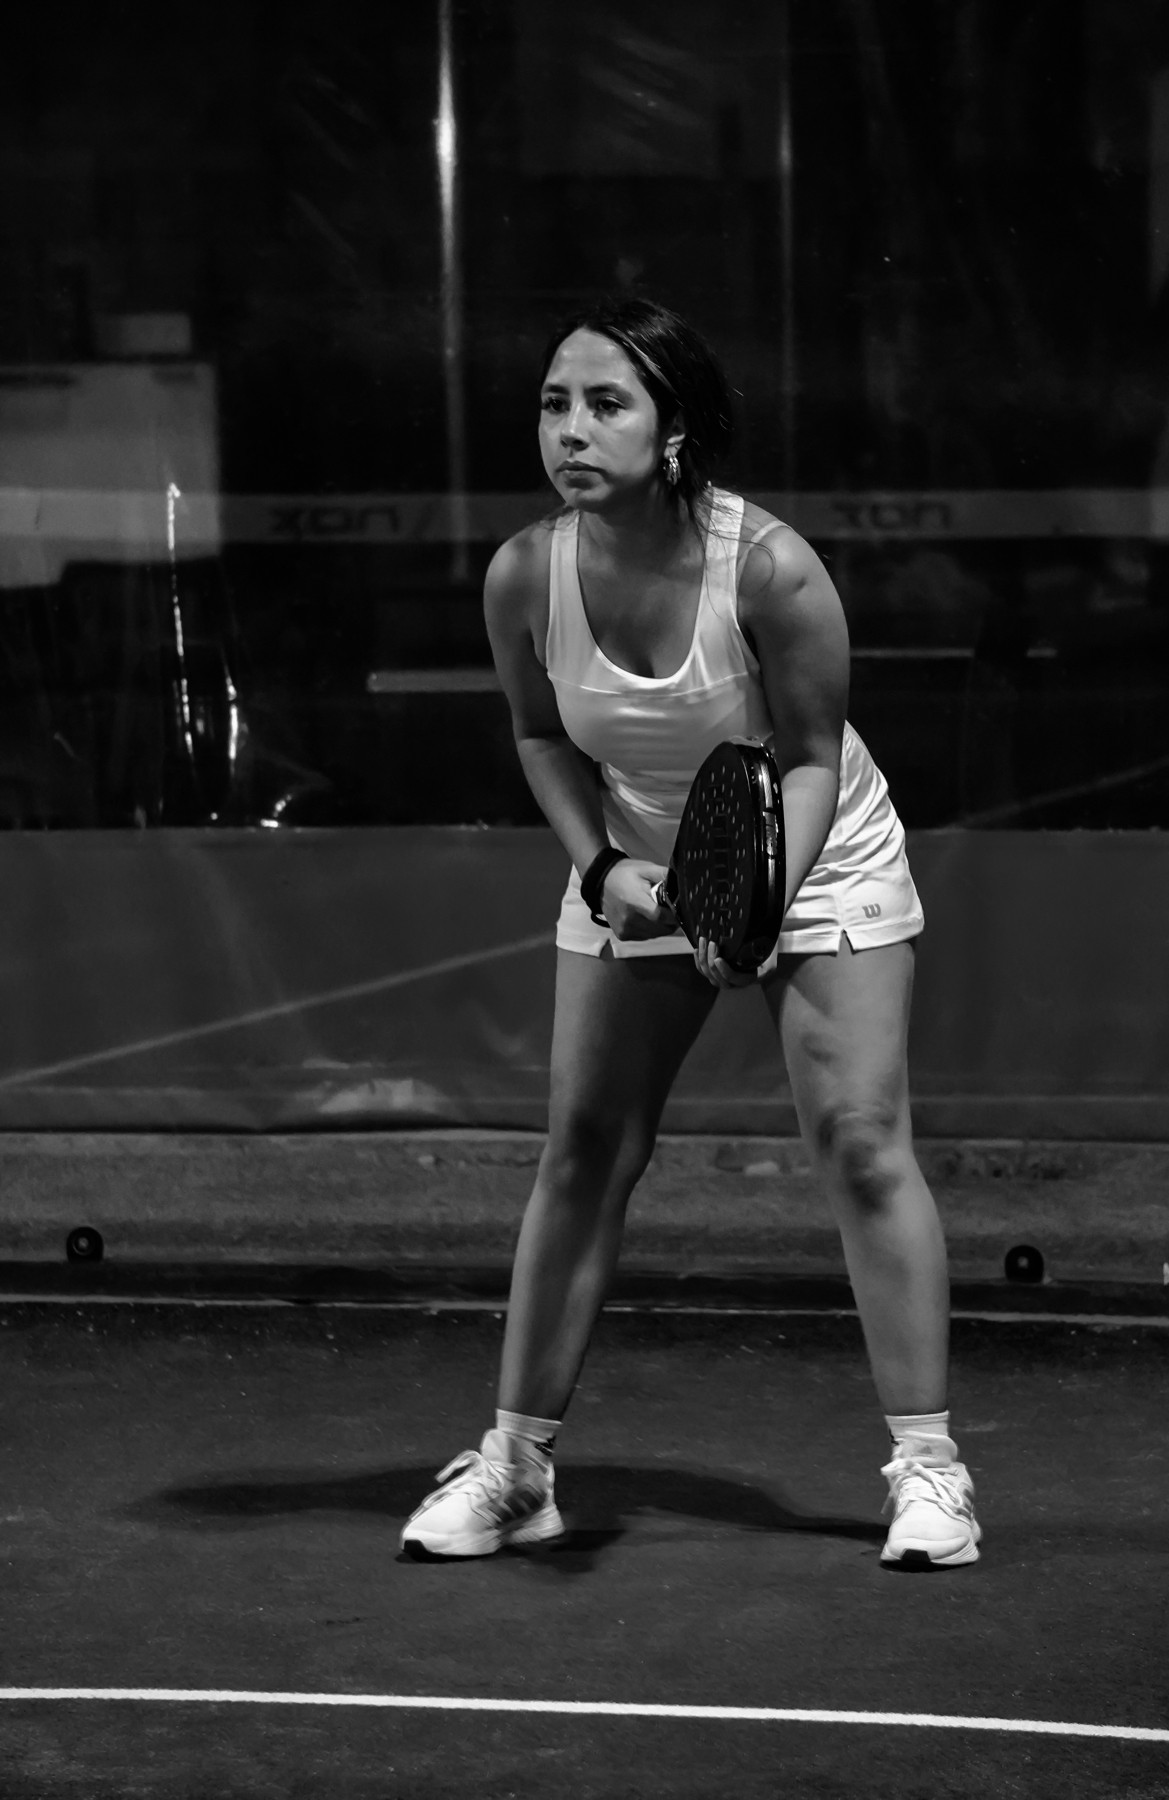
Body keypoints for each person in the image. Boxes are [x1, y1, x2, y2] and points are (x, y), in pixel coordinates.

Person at [401, 298, 979, 1571]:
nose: (571, 429)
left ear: (672, 432)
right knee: (585, 1148)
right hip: (637, 858)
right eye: (554, 403)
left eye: (605, 404)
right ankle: (516, 1469)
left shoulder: (769, 569)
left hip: (815, 849)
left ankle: (932, 1473)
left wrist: (753, 901)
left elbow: (813, 756)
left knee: (860, 1140)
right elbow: (540, 737)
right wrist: (604, 868)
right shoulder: (524, 575)